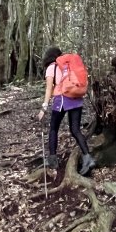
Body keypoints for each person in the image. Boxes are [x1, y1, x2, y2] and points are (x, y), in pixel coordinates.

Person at [38, 46, 95, 175]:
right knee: (75, 130)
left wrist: (44, 108)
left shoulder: (51, 68)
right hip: (76, 97)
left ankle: (52, 159)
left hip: (62, 98)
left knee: (53, 128)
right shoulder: (66, 66)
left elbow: (48, 89)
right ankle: (88, 158)